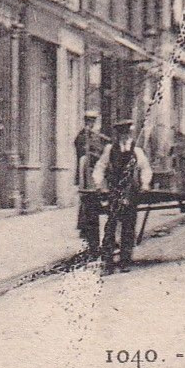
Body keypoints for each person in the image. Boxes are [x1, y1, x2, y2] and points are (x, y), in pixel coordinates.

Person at [99, 119, 153, 273]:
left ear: (130, 133)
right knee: (111, 226)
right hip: (114, 190)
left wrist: (145, 184)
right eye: (121, 133)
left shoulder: (137, 151)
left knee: (128, 226)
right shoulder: (110, 150)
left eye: (126, 133)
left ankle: (125, 260)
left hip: (131, 191)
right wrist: (99, 185)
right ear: (117, 135)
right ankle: (108, 262)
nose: (124, 136)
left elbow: (145, 169)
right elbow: (100, 167)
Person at [73, 110, 105, 188]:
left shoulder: (93, 134)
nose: (92, 124)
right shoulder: (82, 135)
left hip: (95, 163)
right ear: (86, 122)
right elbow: (83, 151)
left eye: (93, 122)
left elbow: (98, 147)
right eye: (90, 121)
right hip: (87, 166)